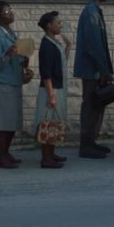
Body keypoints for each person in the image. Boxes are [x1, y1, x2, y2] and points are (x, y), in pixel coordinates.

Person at [73, 0, 114, 159]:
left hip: (97, 69)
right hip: (92, 70)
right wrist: (103, 70)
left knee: (98, 105)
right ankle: (86, 145)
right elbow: (93, 45)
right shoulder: (91, 13)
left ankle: (93, 141)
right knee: (91, 106)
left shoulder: (95, 11)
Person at [0, 0, 27, 169]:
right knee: (3, 122)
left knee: (12, 121)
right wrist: (8, 54)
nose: (11, 13)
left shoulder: (11, 33)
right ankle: (1, 155)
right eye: (6, 12)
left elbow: (17, 58)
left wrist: (24, 64)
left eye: (10, 10)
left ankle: (6, 152)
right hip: (2, 84)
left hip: (14, 81)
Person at [34, 11, 70, 169]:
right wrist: (51, 95)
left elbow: (62, 62)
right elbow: (46, 72)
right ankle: (46, 158)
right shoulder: (47, 45)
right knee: (48, 122)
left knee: (55, 122)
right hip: (51, 89)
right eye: (58, 23)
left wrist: (69, 45)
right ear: (49, 25)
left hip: (57, 87)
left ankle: (52, 153)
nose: (60, 25)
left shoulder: (54, 42)